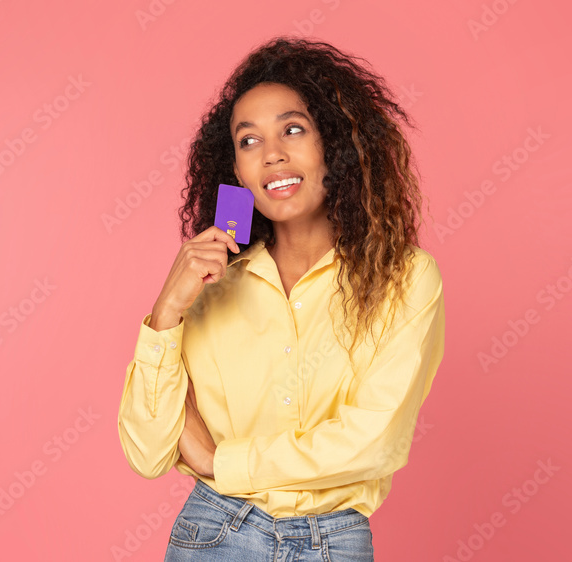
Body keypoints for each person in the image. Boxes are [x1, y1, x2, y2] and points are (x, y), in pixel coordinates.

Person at [116, 36, 446, 561]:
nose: (272, 154)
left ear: (334, 145)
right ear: (236, 171)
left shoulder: (405, 279)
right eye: (249, 142)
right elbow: (147, 452)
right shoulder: (208, 284)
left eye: (293, 130)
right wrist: (165, 314)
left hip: (333, 541)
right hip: (215, 532)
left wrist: (218, 460)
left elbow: (371, 439)